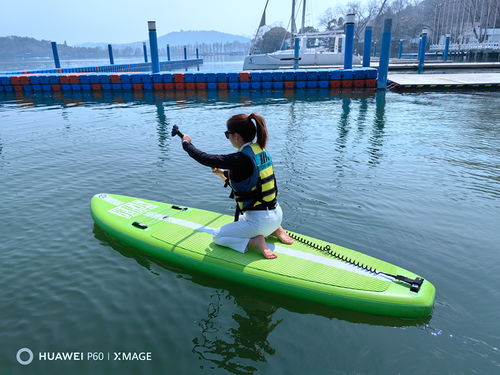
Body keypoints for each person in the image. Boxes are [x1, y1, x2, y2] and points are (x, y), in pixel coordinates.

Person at [180, 113, 293, 259]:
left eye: (228, 134)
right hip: (277, 214)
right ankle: (276, 230)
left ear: (237, 136)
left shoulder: (240, 158)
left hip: (260, 222)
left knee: (218, 236)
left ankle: (255, 241)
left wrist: (186, 144)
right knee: (242, 219)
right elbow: (252, 177)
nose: (228, 138)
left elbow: (206, 158)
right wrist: (224, 173)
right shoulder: (260, 149)